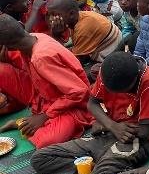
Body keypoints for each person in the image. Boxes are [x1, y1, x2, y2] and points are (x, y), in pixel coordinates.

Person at [31, 52, 149, 174]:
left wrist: (117, 128)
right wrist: (110, 125)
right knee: (40, 158)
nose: (116, 95)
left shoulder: (148, 80)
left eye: (122, 92)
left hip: (134, 140)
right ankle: (102, 170)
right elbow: (92, 103)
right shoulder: (107, 71)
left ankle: (144, 171)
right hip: (109, 133)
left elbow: (146, 131)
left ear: (134, 80)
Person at [0, 15, 92, 148]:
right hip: (47, 99)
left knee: (46, 141)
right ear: (21, 25)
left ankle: (24, 122)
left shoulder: (41, 57)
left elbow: (79, 92)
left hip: (74, 106)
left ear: (6, 47)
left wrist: (44, 116)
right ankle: (34, 121)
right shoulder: (34, 36)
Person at [46, 0, 122, 68]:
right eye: (50, 15)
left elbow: (74, 62)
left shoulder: (83, 28)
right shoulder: (78, 17)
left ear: (71, 14)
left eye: (54, 15)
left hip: (110, 54)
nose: (51, 19)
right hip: (101, 46)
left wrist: (56, 35)